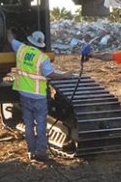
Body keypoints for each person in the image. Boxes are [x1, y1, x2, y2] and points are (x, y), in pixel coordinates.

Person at [9, 29, 73, 162]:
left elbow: (10, 39)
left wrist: (8, 30)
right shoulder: (42, 58)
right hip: (38, 96)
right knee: (41, 125)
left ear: (30, 41)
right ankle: (41, 151)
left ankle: (31, 152)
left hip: (24, 94)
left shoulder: (21, 49)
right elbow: (50, 74)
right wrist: (65, 75)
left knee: (28, 124)